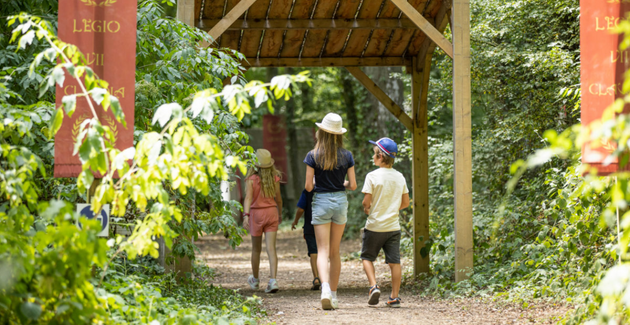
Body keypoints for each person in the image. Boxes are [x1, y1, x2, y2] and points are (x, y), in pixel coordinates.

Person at [304, 113, 357, 310]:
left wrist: (319, 182)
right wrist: (339, 183)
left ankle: (324, 288)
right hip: (340, 202)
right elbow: (352, 185)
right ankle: (333, 296)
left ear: (321, 132)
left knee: (322, 250)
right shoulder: (347, 155)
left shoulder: (313, 155)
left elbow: (308, 187)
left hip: (321, 203)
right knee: (335, 252)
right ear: (338, 134)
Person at [360, 138, 410, 308]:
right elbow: (405, 203)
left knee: (367, 257)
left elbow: (366, 203)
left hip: (374, 226)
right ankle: (394, 297)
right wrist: (392, 208)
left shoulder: (372, 176)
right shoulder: (400, 176)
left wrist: (369, 209)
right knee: (394, 262)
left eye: (374, 154)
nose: (373, 157)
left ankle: (373, 286)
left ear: (380, 156)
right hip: (393, 227)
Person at [243, 149, 283, 293]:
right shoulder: (275, 178)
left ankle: (255, 280)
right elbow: (278, 198)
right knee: (271, 249)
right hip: (272, 212)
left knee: (256, 249)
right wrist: (280, 213)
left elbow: (248, 198)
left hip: (256, 214)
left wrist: (246, 215)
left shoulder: (251, 180)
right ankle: (273, 280)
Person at [291, 187, 321, 291]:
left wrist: (295, 221)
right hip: (324, 225)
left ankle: (316, 278)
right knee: (323, 251)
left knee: (313, 252)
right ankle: (325, 279)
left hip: (310, 226)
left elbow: (301, 209)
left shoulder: (307, 191)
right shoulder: (326, 188)